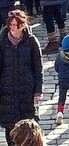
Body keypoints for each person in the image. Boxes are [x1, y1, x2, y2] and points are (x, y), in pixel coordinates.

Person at [0, 10, 43, 144]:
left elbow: (38, 67)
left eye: (16, 25)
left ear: (22, 25)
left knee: (28, 126)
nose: (13, 28)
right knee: (10, 126)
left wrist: (38, 90)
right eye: (11, 25)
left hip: (26, 90)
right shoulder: (2, 42)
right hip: (7, 90)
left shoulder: (31, 41)